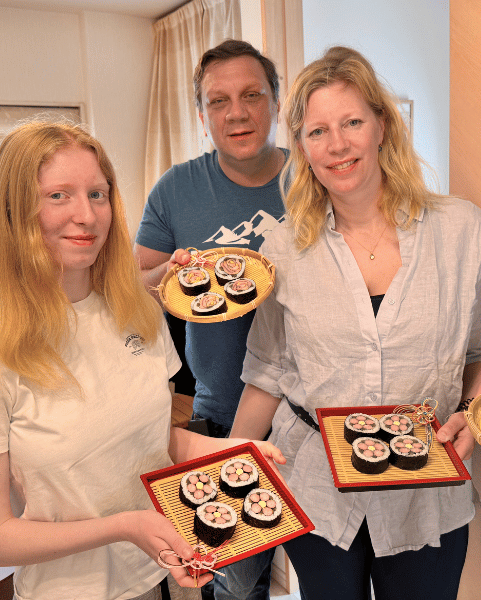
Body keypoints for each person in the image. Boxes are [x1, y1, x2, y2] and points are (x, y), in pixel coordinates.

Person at [0, 120, 285, 600]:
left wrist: (235, 452)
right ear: (13, 210)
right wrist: (122, 527)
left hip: (166, 577)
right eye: (59, 196)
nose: (86, 216)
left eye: (97, 194)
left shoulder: (135, 312)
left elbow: (148, 441)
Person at [229, 46, 481, 600]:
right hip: (316, 486)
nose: (337, 145)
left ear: (382, 125)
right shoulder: (283, 247)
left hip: (425, 488)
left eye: (352, 122)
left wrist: (472, 421)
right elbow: (268, 370)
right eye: (317, 131)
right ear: (302, 148)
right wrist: (226, 476)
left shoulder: (461, 230)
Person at [133, 40, 286, 600]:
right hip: (222, 417)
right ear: (202, 115)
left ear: (275, 99)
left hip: (313, 417)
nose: (237, 112)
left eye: (251, 95)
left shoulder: (317, 178)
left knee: (328, 573)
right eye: (218, 101)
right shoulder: (176, 189)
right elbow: (134, 289)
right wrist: (169, 276)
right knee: (237, 583)